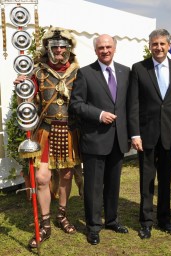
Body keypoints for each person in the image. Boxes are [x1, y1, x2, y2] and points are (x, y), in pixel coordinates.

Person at [14, 27, 81, 248]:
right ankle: (45, 222)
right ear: (48, 48)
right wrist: (22, 88)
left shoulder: (78, 72)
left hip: (70, 131)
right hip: (45, 130)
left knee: (66, 175)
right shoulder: (37, 72)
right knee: (42, 178)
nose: (59, 50)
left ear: (69, 49)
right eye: (55, 47)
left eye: (63, 47)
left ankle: (61, 214)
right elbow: (27, 105)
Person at [69, 34, 130, 245]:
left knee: (113, 184)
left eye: (108, 47)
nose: (105, 50)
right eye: (101, 47)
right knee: (94, 186)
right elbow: (76, 104)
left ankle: (112, 220)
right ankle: (93, 226)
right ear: (96, 50)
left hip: (118, 139)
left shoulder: (125, 71)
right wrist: (99, 114)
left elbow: (128, 105)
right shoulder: (85, 73)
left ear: (114, 48)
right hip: (95, 139)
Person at [128, 29, 171, 239]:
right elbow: (133, 104)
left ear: (169, 45)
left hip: (170, 134)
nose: (159, 47)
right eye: (155, 44)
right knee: (146, 179)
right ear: (150, 45)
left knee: (166, 179)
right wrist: (134, 134)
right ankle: (146, 221)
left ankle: (165, 219)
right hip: (145, 134)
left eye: (162, 44)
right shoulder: (138, 69)